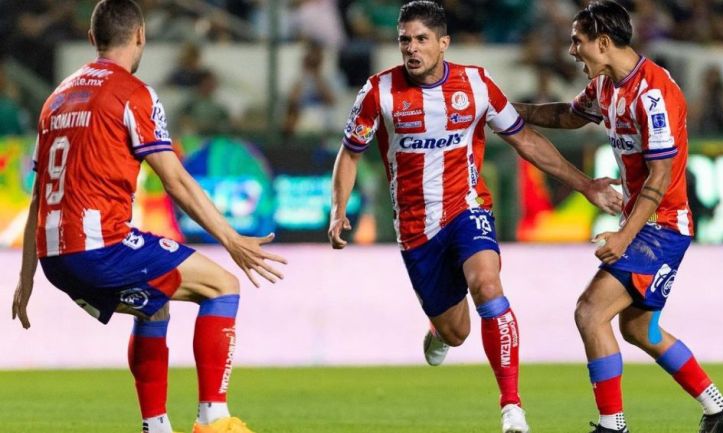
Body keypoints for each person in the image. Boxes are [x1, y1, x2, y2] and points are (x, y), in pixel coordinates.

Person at [328, 2, 623, 432]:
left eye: (421, 39)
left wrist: (585, 185)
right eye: (404, 40)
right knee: (456, 331)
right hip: (415, 227)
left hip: (468, 208)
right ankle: (439, 330)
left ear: (443, 43)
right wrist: (339, 210)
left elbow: (524, 139)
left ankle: (512, 409)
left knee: (487, 285)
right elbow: (349, 154)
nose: (411, 49)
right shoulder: (378, 92)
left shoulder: (476, 84)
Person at [11, 1, 286, 433]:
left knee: (152, 310)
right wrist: (232, 239)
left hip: (55, 260)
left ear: (91, 39)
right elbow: (174, 179)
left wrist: (26, 277)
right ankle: (213, 420)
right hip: (100, 248)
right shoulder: (132, 93)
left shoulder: (56, 99)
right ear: (141, 35)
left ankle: (155, 427)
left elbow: (38, 197)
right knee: (222, 286)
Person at [511, 2, 723, 433]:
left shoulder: (652, 93)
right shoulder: (606, 87)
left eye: (578, 41)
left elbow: (661, 174)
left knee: (589, 312)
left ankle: (613, 425)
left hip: (662, 225)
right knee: (639, 330)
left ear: (602, 43)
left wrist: (624, 238)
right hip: (649, 224)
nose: (572, 51)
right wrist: (512, 113)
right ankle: (720, 410)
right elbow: (568, 115)